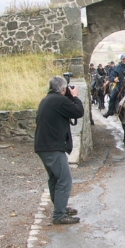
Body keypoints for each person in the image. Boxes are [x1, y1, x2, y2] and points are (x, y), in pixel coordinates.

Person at [34, 76, 85, 225]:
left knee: (55, 179)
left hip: (44, 146)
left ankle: (60, 207)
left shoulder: (47, 100)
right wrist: (75, 97)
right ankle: (59, 215)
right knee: (64, 180)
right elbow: (78, 112)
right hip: (53, 147)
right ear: (63, 89)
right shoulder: (59, 100)